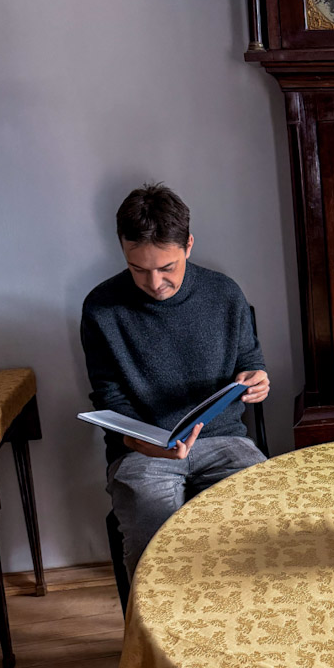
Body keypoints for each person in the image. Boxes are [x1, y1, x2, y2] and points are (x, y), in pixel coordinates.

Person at [80, 183, 269, 581]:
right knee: (158, 550)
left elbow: (249, 361)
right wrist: (144, 441)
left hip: (224, 442)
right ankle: (162, 639)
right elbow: (110, 401)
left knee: (260, 530)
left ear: (188, 246)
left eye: (167, 268)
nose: (154, 283)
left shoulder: (224, 293)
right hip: (142, 453)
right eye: (138, 269)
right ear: (122, 248)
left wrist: (258, 379)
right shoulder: (101, 307)